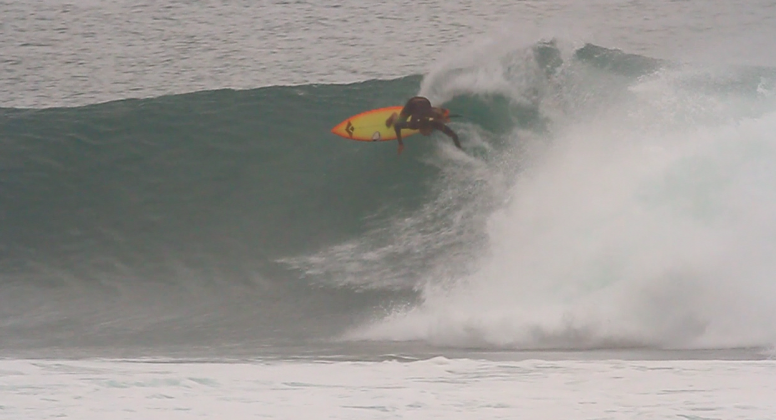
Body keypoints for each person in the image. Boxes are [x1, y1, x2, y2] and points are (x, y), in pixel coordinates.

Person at [385, 96, 461, 154]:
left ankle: (438, 111)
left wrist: (459, 149)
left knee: (437, 116)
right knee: (398, 121)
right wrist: (400, 144)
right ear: (420, 129)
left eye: (427, 132)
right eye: (425, 133)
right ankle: (393, 116)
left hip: (425, 102)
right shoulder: (413, 125)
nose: (426, 134)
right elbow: (397, 126)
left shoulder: (435, 124)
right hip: (412, 103)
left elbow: (453, 135)